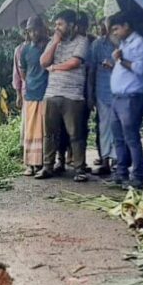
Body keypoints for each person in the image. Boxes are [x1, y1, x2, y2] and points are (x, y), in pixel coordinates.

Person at [36, 10, 90, 182]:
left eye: (61, 24)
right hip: (52, 93)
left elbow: (75, 62)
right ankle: (48, 166)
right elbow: (43, 62)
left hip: (72, 95)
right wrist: (55, 42)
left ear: (72, 25)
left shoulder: (82, 41)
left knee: (75, 133)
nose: (57, 28)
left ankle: (79, 169)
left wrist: (54, 68)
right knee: (50, 133)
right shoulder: (54, 41)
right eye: (56, 24)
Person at [107, 12, 143, 189]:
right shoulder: (123, 43)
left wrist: (121, 60)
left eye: (116, 28)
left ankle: (138, 175)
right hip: (117, 97)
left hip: (130, 98)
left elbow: (140, 69)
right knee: (118, 137)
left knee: (131, 137)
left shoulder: (139, 42)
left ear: (126, 25)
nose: (115, 33)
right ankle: (121, 172)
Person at [19, 17, 50, 176]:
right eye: (30, 31)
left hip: (47, 93)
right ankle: (30, 164)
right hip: (31, 94)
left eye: (36, 29)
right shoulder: (24, 50)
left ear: (42, 29)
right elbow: (23, 72)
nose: (34, 33)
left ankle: (43, 163)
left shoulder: (48, 46)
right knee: (31, 130)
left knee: (45, 130)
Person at [87, 18, 116, 174]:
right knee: (104, 127)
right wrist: (90, 94)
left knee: (120, 128)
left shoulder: (125, 44)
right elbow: (91, 70)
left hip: (122, 93)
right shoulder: (97, 45)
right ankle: (105, 161)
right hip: (103, 91)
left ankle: (119, 163)